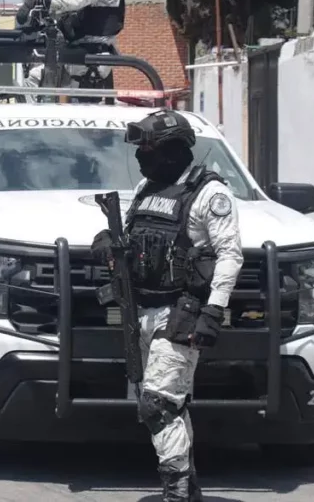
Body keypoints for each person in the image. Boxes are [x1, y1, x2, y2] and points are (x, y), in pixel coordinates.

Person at [91, 110, 243, 501]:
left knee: (157, 405)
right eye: (140, 147)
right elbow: (132, 240)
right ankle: (187, 489)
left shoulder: (210, 193)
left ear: (174, 149)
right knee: (169, 405)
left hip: (181, 313)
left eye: (149, 146)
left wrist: (213, 311)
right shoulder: (146, 187)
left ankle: (175, 494)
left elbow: (230, 255)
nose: (142, 154)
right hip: (141, 311)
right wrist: (108, 243)